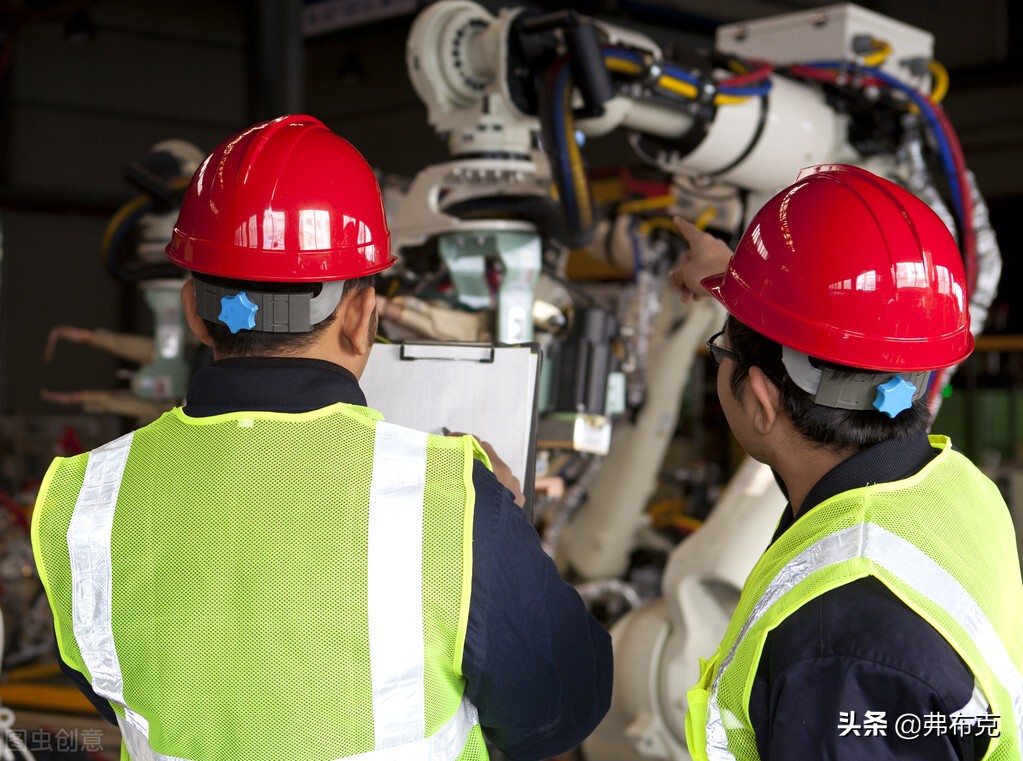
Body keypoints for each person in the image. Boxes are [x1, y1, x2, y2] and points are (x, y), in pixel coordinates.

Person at [31, 114, 612, 761]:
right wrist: (503, 525)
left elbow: (106, 685)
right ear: (362, 316)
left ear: (193, 308)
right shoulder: (452, 501)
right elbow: (558, 710)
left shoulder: (83, 501)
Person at [668, 164, 1023, 760]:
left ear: (761, 401)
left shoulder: (837, 653)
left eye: (720, 352)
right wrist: (730, 279)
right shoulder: (955, 487)